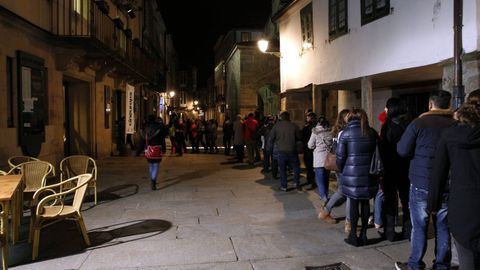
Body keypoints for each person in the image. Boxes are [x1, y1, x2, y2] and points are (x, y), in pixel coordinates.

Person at [395, 90, 456, 270]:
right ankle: (442, 265)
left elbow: (402, 150)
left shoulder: (418, 123)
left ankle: (415, 264)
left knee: (420, 226)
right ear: (448, 104)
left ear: (430, 104)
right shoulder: (455, 124)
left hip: (421, 183)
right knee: (443, 227)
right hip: (447, 183)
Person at [427, 90, 480, 270]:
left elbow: (438, 172)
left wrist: (432, 205)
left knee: (467, 260)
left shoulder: (450, 135)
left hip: (463, 207)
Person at [336, 108, 379, 247]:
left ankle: (353, 236)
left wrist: (343, 171)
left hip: (351, 174)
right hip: (368, 174)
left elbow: (340, 157)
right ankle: (364, 235)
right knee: (365, 203)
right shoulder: (371, 133)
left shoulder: (346, 133)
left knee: (353, 204)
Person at [378, 97, 411, 242]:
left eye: (386, 107)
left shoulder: (388, 127)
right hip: (406, 169)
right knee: (407, 202)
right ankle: (408, 231)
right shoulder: (409, 125)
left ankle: (390, 233)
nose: (385, 110)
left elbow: (383, 150)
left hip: (390, 170)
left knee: (390, 202)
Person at [318, 109, 351, 232]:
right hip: (343, 166)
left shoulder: (338, 131)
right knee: (347, 193)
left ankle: (326, 212)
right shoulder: (344, 132)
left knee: (343, 191)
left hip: (340, 165)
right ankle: (349, 222)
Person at [269, 111, 302, 191]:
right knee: (296, 167)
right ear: (288, 117)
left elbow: (271, 138)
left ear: (281, 117)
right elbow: (299, 137)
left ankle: (284, 186)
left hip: (281, 151)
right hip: (292, 150)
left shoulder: (276, 126)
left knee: (282, 169)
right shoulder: (294, 126)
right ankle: (296, 183)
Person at [308, 115, 333, 206]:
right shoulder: (329, 131)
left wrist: (315, 146)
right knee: (326, 179)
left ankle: (324, 197)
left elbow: (310, 145)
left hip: (318, 159)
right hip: (328, 158)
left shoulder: (315, 132)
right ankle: (325, 194)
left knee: (319, 180)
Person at [137, 114, 165, 190]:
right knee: (156, 165)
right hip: (157, 148)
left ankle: (152, 179)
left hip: (149, 149)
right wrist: (164, 148)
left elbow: (142, 140)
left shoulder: (145, 128)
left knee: (151, 165)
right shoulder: (159, 127)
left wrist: (138, 151)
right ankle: (153, 180)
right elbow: (162, 139)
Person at [302, 111, 318, 190]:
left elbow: (302, 137)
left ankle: (312, 181)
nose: (307, 119)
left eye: (308, 118)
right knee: (312, 166)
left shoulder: (308, 128)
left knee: (309, 166)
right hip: (314, 149)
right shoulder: (317, 127)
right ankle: (311, 180)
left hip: (309, 149)